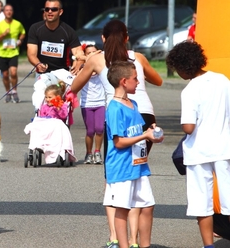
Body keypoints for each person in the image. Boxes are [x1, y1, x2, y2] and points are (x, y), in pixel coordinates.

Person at [71, 20, 163, 248]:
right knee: (138, 173)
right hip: (145, 115)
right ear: (126, 37)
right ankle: (134, 240)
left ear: (102, 38)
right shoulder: (138, 58)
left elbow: (74, 86)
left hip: (120, 113)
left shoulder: (96, 59)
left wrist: (85, 64)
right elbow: (159, 80)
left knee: (117, 178)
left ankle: (115, 237)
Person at [166, 41, 230, 248]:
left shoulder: (190, 91)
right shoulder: (222, 80)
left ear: (184, 67)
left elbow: (188, 128)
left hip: (199, 152)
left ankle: (208, 245)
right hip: (224, 148)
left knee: (202, 203)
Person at [104, 61, 163, 248]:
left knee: (147, 206)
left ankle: (144, 245)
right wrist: (144, 135)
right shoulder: (114, 108)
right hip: (121, 168)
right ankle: (123, 245)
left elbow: (137, 131)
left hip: (139, 165)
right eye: (135, 79)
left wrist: (150, 132)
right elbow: (119, 141)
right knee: (122, 209)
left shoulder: (134, 103)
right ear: (123, 81)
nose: (138, 82)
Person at [27, 0, 84, 74]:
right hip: (42, 72)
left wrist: (79, 63)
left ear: (60, 12)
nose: (50, 12)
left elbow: (78, 53)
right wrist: (38, 64)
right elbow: (31, 54)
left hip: (62, 73)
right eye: (47, 9)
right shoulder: (35, 29)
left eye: (54, 9)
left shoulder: (69, 31)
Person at [0, 4, 26, 103]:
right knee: (5, 75)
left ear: (13, 12)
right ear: (3, 12)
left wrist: (20, 40)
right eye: (6, 10)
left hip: (13, 52)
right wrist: (4, 34)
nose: (8, 12)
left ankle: (14, 91)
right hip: (2, 53)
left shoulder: (17, 24)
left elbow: (23, 33)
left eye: (10, 10)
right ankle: (8, 92)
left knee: (14, 72)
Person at [79, 44, 105, 164]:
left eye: (94, 52)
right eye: (88, 53)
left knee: (100, 129)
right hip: (87, 103)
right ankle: (88, 153)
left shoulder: (102, 67)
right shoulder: (82, 68)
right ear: (85, 55)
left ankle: (97, 152)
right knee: (90, 131)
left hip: (101, 103)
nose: (91, 55)